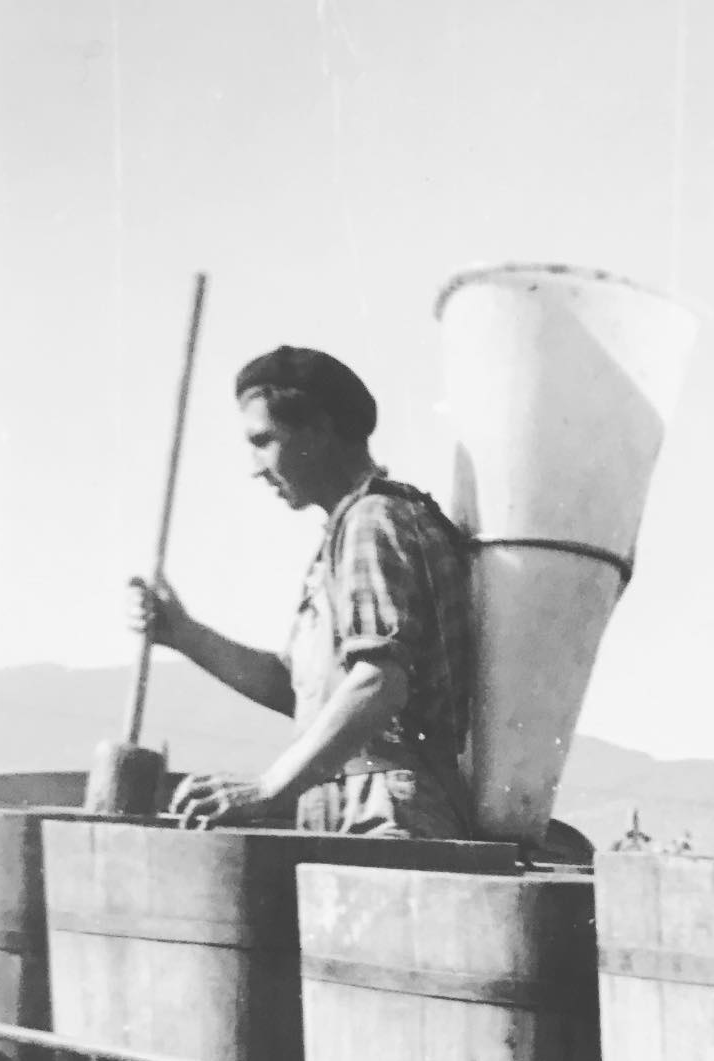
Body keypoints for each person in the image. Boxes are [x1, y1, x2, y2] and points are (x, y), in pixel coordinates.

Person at [130, 346, 472, 837]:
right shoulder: (345, 533)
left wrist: (270, 786)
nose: (254, 466)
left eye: (264, 440)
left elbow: (378, 682)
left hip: (386, 811)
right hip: (348, 798)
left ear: (318, 429)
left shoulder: (373, 522)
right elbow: (300, 691)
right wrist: (184, 635)